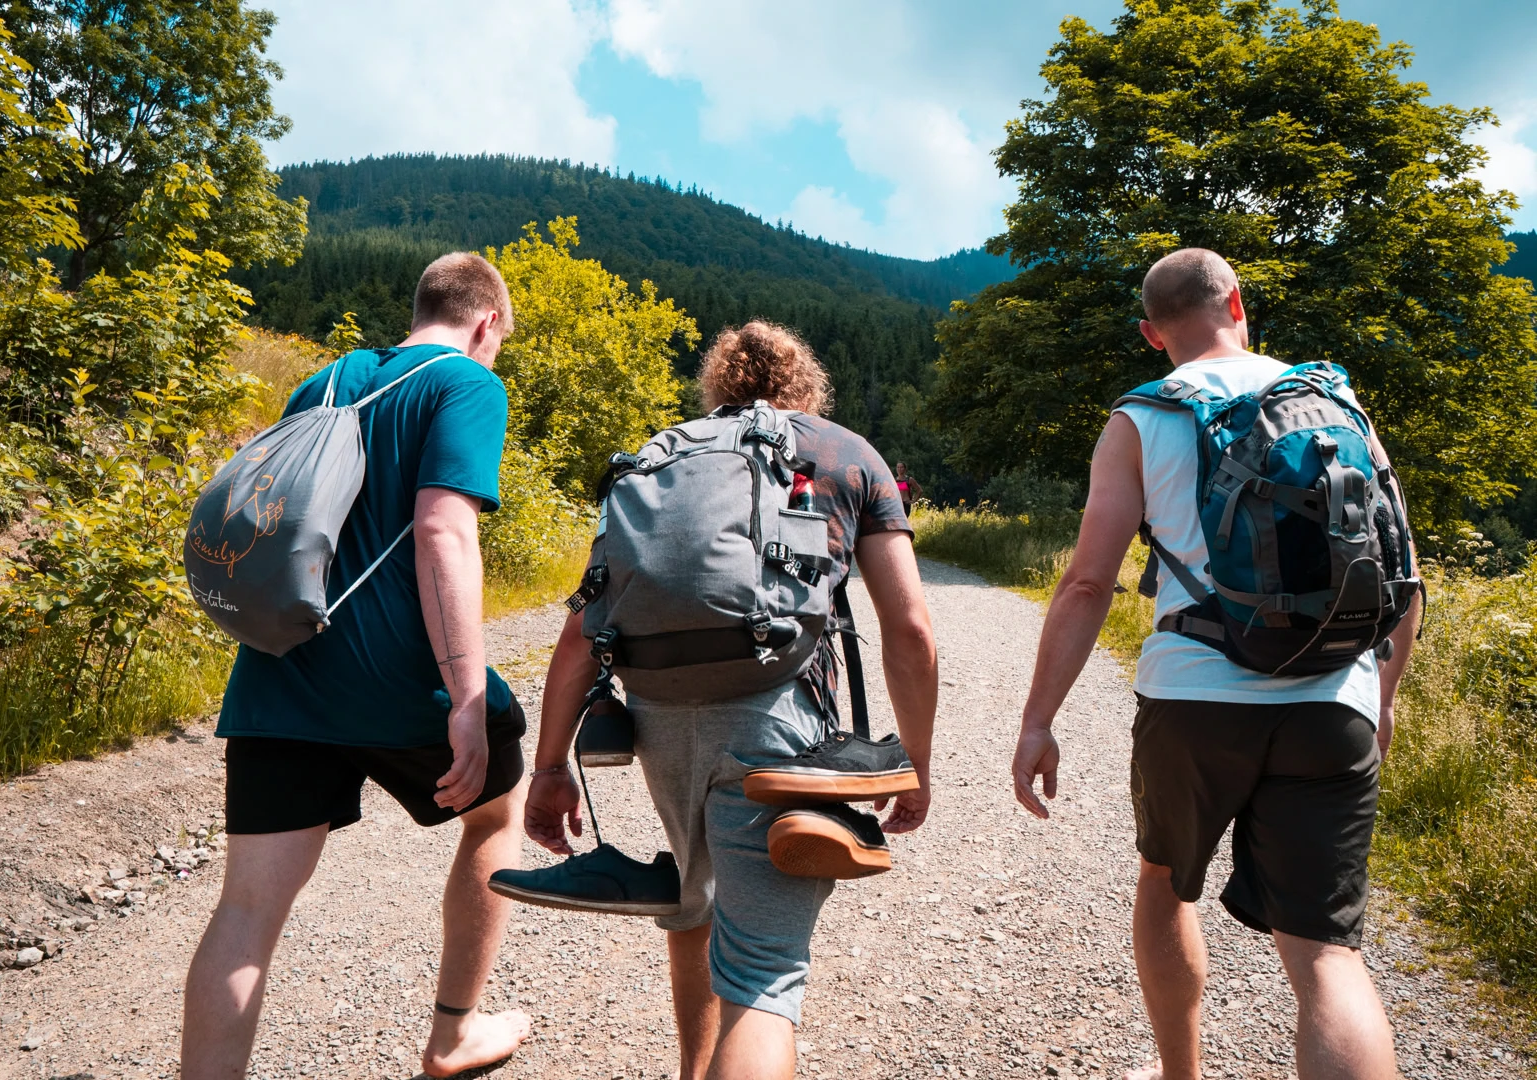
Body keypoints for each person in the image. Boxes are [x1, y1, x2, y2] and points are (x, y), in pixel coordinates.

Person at [1009, 249, 1420, 1080]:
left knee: (1165, 885)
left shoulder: (1141, 419)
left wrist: (1038, 719)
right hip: (1332, 699)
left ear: (1150, 334)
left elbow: (1088, 583)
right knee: (1328, 957)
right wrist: (1380, 698)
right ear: (1237, 301)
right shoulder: (1336, 401)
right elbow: (1402, 571)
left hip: (1193, 694)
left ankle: (1181, 1075)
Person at [523, 322, 939, 1080]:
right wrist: (914, 761)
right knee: (764, 972)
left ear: (716, 383)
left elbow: (583, 630)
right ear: (805, 383)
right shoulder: (845, 453)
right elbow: (909, 627)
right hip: (776, 717)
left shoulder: (660, 456)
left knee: (694, 900)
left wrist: (549, 767)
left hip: (657, 713)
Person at [181, 253, 533, 1080]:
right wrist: (467, 694)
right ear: (486, 322)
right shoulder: (468, 384)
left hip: (279, 671)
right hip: (398, 677)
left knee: (247, 909)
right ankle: (453, 1035)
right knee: (495, 814)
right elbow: (443, 530)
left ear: (420, 308)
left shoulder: (324, 382)